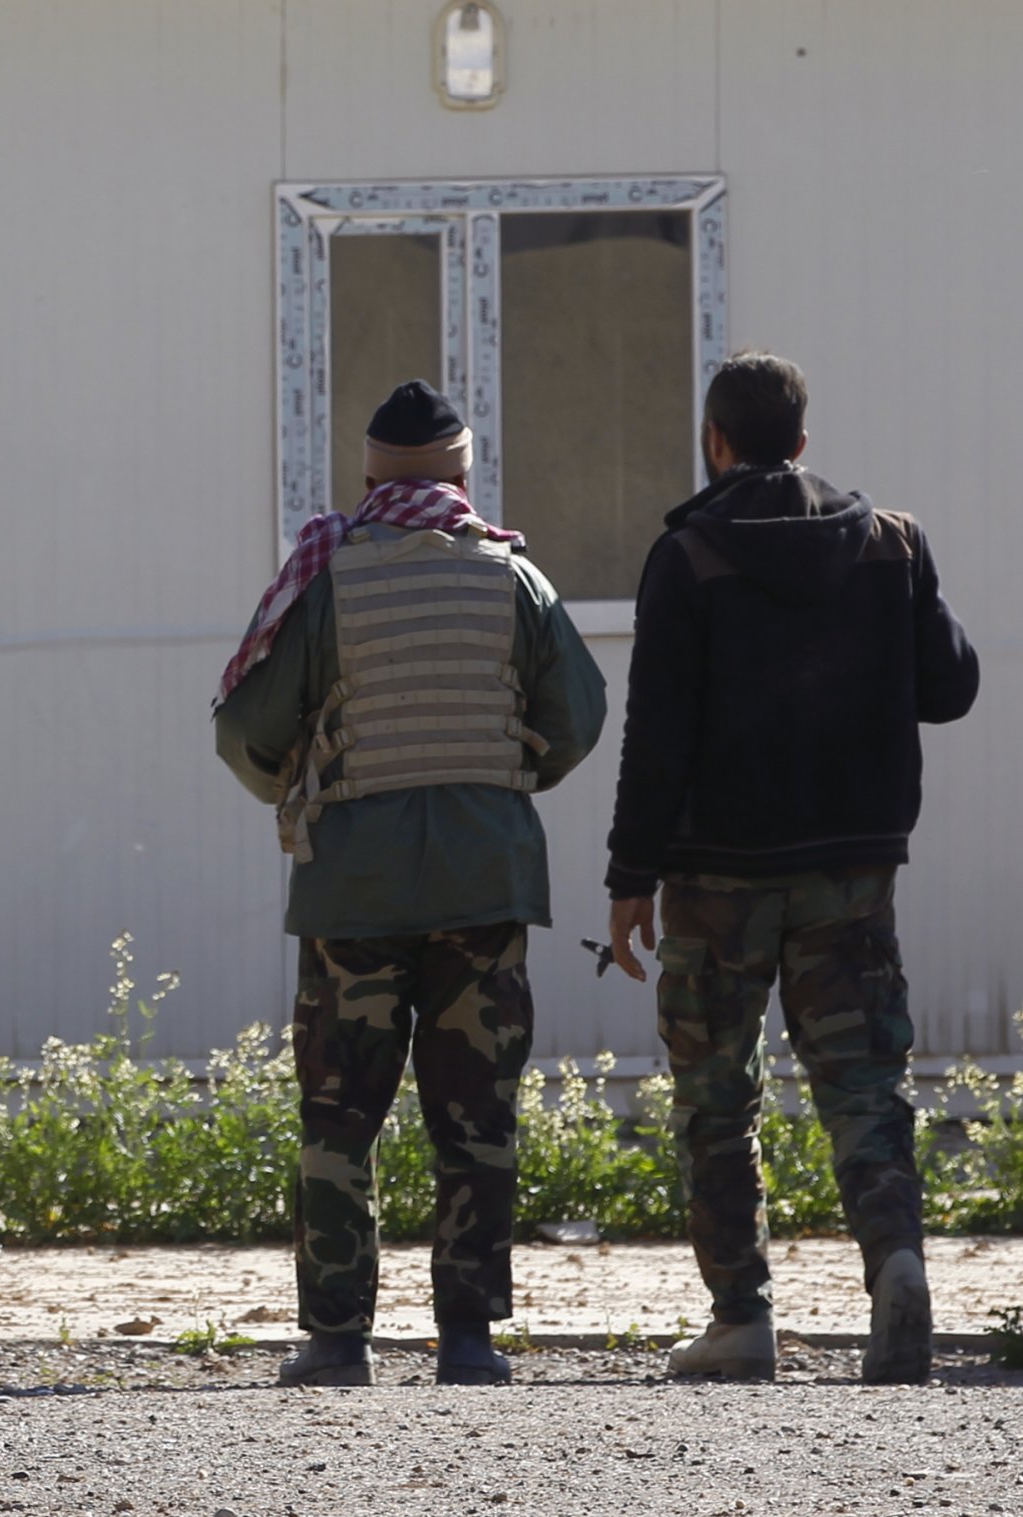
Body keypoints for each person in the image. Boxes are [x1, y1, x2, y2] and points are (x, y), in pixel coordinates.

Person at [216, 380, 606, 1387]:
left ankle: (337, 1339)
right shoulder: (515, 580)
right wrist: (494, 786)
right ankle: (468, 1338)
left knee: (339, 1117)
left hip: (352, 893)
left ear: (368, 476)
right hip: (485, 890)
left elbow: (245, 728)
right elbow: (578, 717)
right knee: (475, 1117)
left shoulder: (327, 577)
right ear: (462, 474)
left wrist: (304, 784)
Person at [603, 353, 979, 1385]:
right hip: (851, 872)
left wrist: (628, 875)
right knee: (864, 1083)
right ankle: (895, 1262)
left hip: (714, 879)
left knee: (715, 1097)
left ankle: (740, 1315)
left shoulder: (687, 556)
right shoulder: (889, 544)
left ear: (714, 442)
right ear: (802, 441)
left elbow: (656, 734)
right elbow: (951, 688)